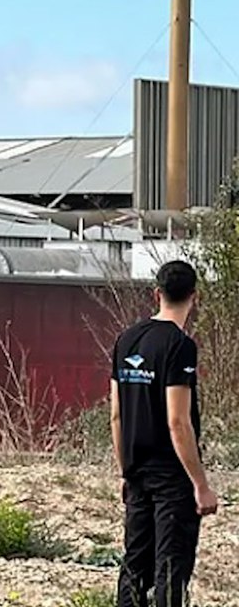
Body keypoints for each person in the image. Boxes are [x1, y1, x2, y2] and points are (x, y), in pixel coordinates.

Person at [112, 260, 219, 607]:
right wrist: (200, 484)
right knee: (170, 569)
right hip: (171, 478)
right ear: (194, 297)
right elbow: (178, 421)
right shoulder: (180, 346)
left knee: (134, 566)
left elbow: (116, 415)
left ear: (156, 294)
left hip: (136, 471)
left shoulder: (126, 340)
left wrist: (125, 470)